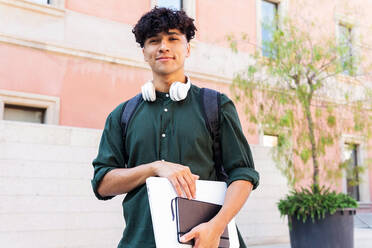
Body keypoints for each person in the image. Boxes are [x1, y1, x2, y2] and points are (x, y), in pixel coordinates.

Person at [91, 7, 259, 248]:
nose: (163, 47)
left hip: (205, 241)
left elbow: (243, 174)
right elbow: (103, 183)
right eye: (154, 40)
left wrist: (216, 225)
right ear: (144, 52)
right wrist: (154, 168)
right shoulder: (121, 115)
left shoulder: (216, 105)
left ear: (188, 48)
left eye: (173, 38)